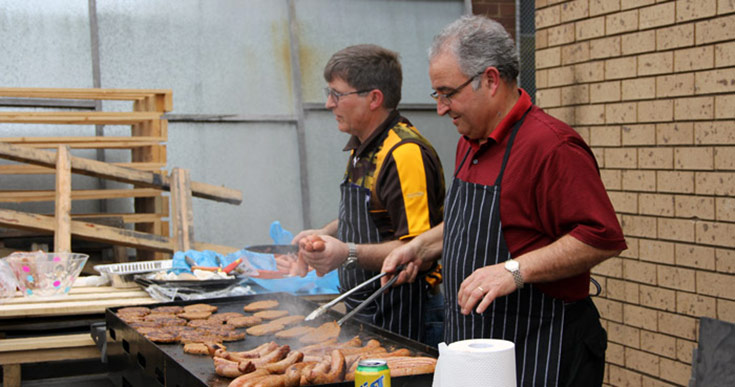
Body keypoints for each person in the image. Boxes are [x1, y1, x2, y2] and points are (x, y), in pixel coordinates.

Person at [380, 15, 627, 386]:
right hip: (473, 349)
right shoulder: (469, 140)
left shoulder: (551, 146)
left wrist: (514, 270)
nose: (441, 108)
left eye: (448, 93)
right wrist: (421, 246)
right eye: (437, 94)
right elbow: (473, 224)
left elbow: (600, 237)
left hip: (541, 346)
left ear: (491, 80)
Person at [291, 44, 446, 345]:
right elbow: (370, 212)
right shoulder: (363, 147)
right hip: (368, 309)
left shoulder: (405, 154)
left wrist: (346, 253)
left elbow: (419, 251)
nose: (328, 104)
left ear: (374, 98)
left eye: (337, 94)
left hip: (406, 315)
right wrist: (323, 234)